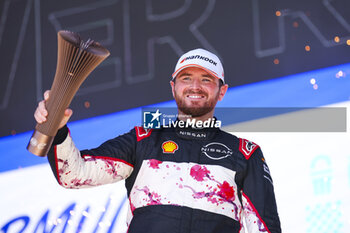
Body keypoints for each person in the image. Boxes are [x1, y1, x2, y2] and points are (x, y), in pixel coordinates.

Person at [34, 48, 281, 233]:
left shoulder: (244, 153)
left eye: (206, 79)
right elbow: (74, 174)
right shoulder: (143, 140)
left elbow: (265, 228)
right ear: (173, 87)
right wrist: (57, 129)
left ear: (221, 91)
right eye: (186, 78)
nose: (195, 86)